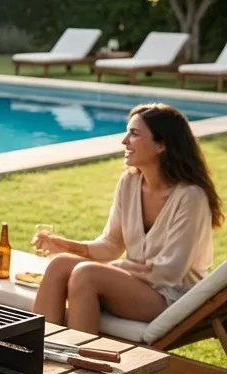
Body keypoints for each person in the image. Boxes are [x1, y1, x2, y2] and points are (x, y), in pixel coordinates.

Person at [33, 103, 222, 335]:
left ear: (161, 144)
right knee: (59, 263)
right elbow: (111, 245)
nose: (124, 141)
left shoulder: (190, 196)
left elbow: (169, 271)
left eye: (134, 134)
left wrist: (115, 267)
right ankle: (35, 353)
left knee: (86, 274)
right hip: (137, 286)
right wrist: (66, 245)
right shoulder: (129, 183)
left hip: (171, 297)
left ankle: (80, 364)